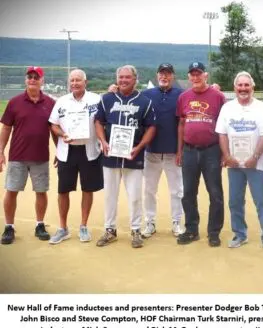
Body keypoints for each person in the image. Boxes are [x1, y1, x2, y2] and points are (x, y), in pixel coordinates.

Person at [94, 65, 156, 248]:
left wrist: (140, 146)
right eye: (120, 77)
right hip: (110, 155)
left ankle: (136, 230)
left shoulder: (144, 101)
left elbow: (152, 127)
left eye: (127, 77)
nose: (123, 80)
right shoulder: (107, 99)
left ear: (135, 79)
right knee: (110, 196)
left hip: (133, 156)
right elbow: (98, 121)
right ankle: (109, 229)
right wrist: (103, 141)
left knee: (135, 196)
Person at [215, 71, 263, 252]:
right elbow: (222, 133)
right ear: (235, 88)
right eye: (240, 85)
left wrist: (255, 157)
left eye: (246, 85)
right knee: (235, 201)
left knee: (262, 201)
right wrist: (226, 156)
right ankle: (240, 234)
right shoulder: (227, 108)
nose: (243, 89)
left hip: (257, 164)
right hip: (234, 164)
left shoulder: (261, 107)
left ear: (252, 87)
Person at [0, 66, 56, 244]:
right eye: (29, 77)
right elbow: (6, 128)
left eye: (36, 77)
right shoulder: (14, 102)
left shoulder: (50, 103)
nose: (32, 79)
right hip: (18, 156)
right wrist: (1, 151)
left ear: (42, 81)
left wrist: (60, 151)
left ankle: (40, 224)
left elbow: (54, 129)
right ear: (26, 80)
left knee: (41, 191)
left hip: (40, 156)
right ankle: (9, 227)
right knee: (12, 190)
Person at [48, 69, 103, 244]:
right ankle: (63, 228)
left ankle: (83, 226)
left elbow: (103, 122)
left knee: (87, 189)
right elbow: (54, 125)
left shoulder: (96, 99)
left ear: (85, 82)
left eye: (78, 80)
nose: (74, 83)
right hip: (67, 151)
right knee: (63, 190)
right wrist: (62, 135)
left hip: (89, 151)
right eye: (71, 80)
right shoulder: (62, 101)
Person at [176, 61, 225, 247]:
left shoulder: (218, 96)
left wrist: (223, 152)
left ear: (206, 75)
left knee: (215, 193)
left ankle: (213, 232)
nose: (195, 77)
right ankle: (191, 230)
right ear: (189, 77)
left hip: (211, 150)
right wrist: (179, 150)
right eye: (192, 74)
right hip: (189, 150)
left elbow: (223, 127)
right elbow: (181, 124)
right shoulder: (183, 97)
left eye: (199, 74)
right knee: (188, 192)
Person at [140, 63, 184, 238]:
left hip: (173, 152)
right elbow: (128, 99)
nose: (164, 77)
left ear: (172, 76)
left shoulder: (181, 95)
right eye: (161, 74)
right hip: (151, 152)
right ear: (157, 75)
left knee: (177, 190)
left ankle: (176, 222)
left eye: (167, 74)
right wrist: (113, 90)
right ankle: (150, 222)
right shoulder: (146, 95)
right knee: (149, 190)